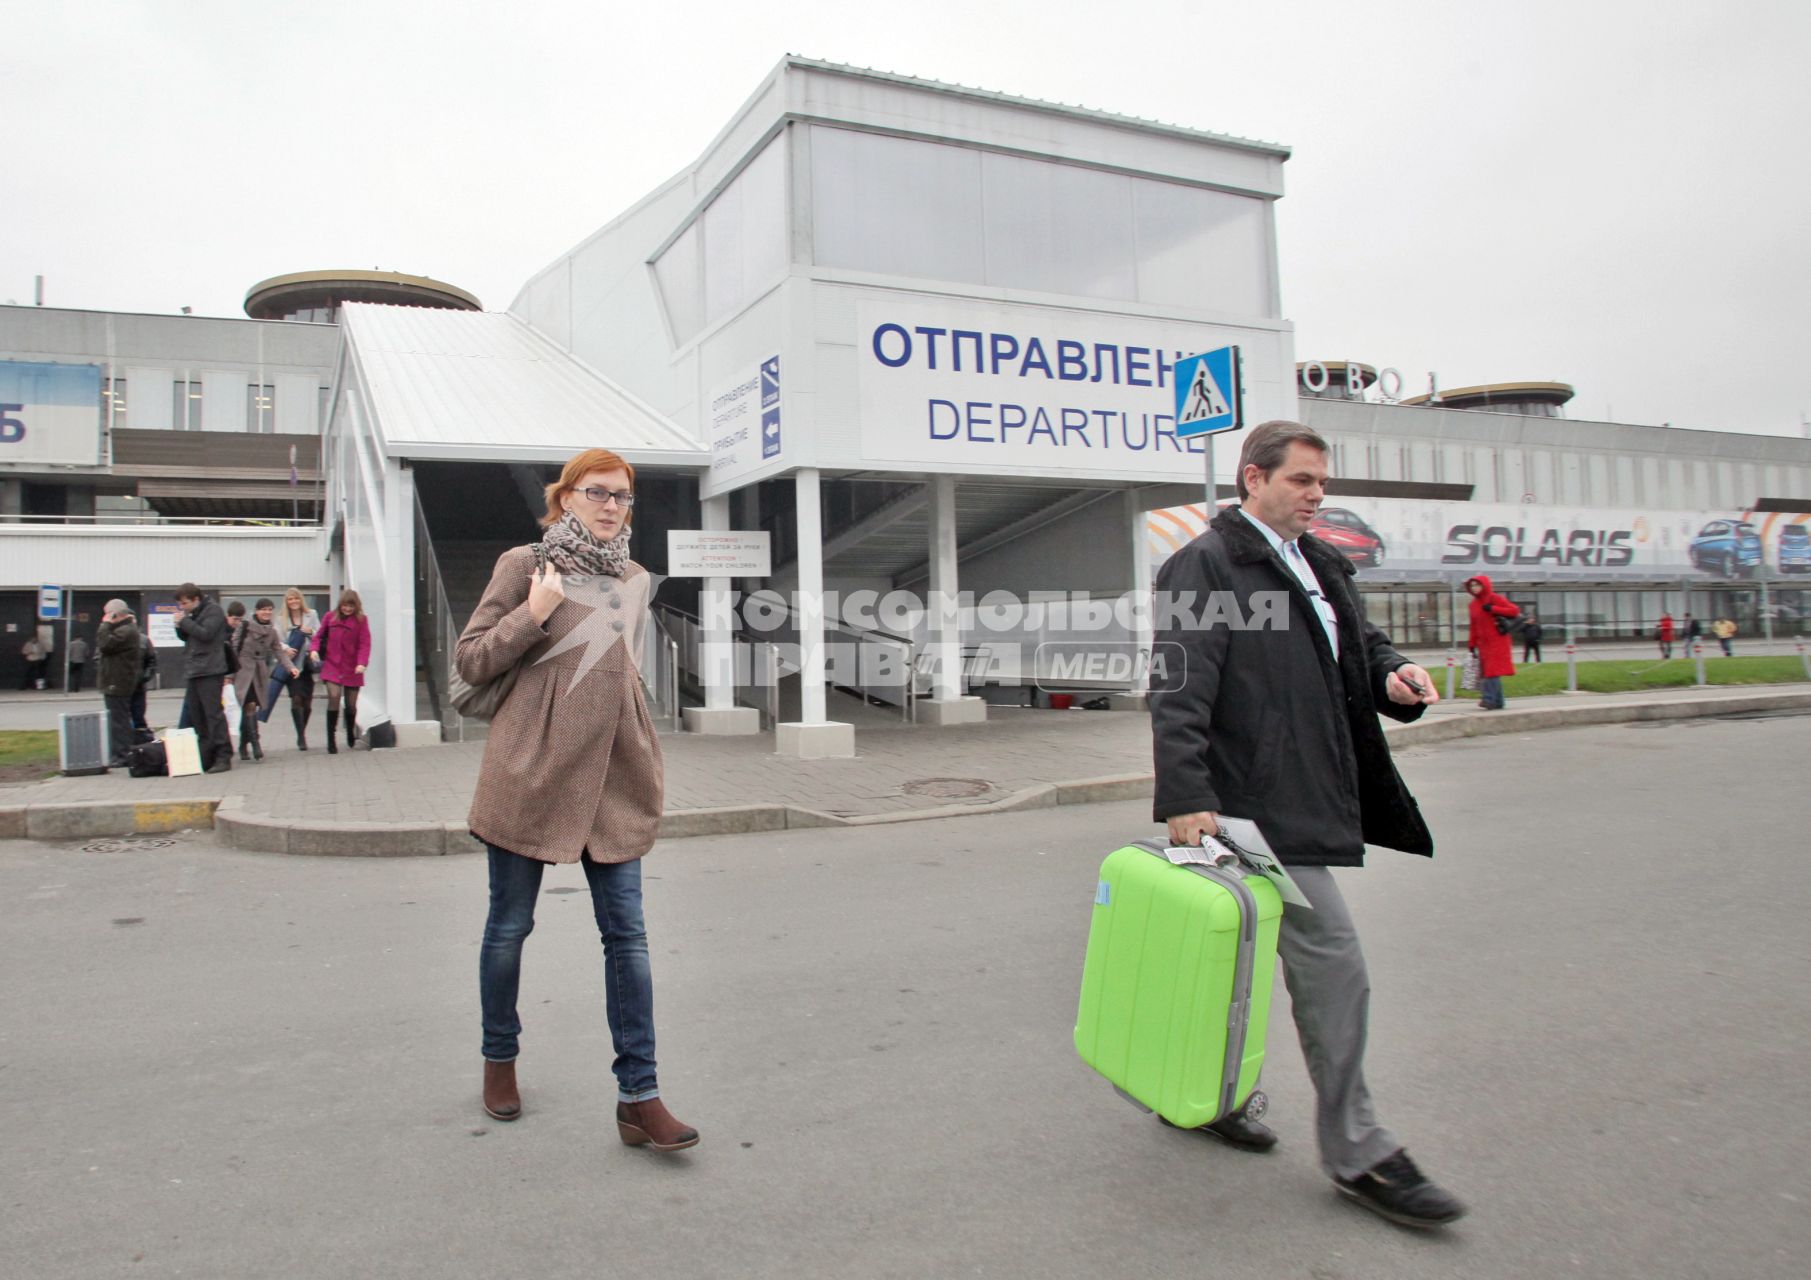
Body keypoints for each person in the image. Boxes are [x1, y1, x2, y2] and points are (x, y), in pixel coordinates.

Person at [1150, 421, 1461, 1228]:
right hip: (1249, 805)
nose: (1316, 494)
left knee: (1231, 963)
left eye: (1322, 483)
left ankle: (1202, 1097)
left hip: (1306, 787)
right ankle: (1359, 1153)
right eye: (1301, 481)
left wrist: (1393, 674)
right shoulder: (1207, 562)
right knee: (1334, 965)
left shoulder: (1319, 561)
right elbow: (1177, 685)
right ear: (1253, 479)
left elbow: (1358, 646)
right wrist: (1185, 796)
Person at [456, 446, 696, 1152]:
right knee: (509, 928)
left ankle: (639, 1096)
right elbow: (470, 661)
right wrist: (533, 614)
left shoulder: (635, 577)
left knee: (628, 938)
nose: (610, 505)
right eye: (597, 492)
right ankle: (499, 1058)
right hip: (531, 768)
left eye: (622, 496)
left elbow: (618, 670)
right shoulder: (523, 565)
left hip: (613, 776)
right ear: (566, 498)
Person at [173, 583, 233, 773]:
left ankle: (223, 755)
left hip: (210, 669)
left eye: (185, 603)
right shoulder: (194, 613)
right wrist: (179, 626)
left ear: (195, 599)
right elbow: (189, 637)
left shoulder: (213, 611)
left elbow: (205, 634)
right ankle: (207, 756)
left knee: (213, 714)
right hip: (194, 669)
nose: (183, 607)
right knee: (197, 716)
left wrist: (184, 622)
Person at [312, 590, 371, 754]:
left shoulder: (361, 621)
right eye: (345, 605)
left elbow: (364, 644)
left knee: (351, 706)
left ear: (356, 606)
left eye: (351, 606)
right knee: (334, 697)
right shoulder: (330, 618)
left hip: (352, 667)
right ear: (340, 605)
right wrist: (314, 650)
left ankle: (350, 731)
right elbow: (318, 636)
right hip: (332, 665)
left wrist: (361, 663)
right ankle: (331, 739)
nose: (347, 609)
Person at [261, 587, 320, 749]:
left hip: (307, 663)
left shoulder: (312, 614)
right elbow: (276, 640)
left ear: (301, 600)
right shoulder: (280, 619)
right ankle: (301, 737)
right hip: (291, 664)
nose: (293, 602)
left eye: (296, 598)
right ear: (286, 602)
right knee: (296, 699)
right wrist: (285, 648)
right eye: (290, 599)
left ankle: (302, 730)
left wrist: (311, 631)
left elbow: (320, 635)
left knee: (307, 704)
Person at [230, 599, 280, 761]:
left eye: (270, 609)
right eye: (264, 609)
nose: (267, 612)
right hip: (243, 672)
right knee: (249, 706)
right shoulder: (244, 626)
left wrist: (291, 667)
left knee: (249, 709)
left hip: (259, 673)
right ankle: (255, 743)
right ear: (256, 611)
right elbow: (233, 649)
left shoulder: (272, 631)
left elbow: (278, 651)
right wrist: (229, 675)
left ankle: (243, 745)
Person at [94, 601, 142, 768]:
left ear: (114, 614)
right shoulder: (125, 629)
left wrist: (105, 624)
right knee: (118, 719)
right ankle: (120, 753)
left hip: (117, 682)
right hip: (116, 681)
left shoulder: (126, 630)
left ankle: (123, 755)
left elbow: (105, 644)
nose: (105, 617)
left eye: (107, 614)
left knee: (119, 720)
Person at [1465, 574, 1520, 710]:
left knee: (1492, 671)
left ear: (1485, 586)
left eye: (1477, 585)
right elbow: (1474, 625)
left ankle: (1488, 699)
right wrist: (1472, 644)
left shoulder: (1495, 598)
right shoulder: (1473, 605)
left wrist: (1493, 608)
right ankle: (1498, 701)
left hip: (1498, 641)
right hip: (1483, 644)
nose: (1475, 588)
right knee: (1490, 671)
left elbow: (1514, 611)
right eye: (1472, 586)